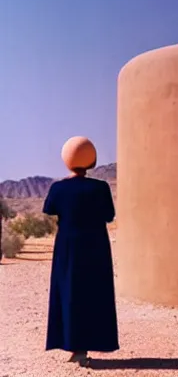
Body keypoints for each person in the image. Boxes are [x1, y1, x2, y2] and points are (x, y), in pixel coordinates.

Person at [43, 136, 119, 365]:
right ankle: (90, 344)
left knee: (70, 294)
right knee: (94, 295)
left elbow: (49, 209)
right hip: (96, 248)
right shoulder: (101, 187)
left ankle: (75, 346)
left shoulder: (58, 188)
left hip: (68, 249)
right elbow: (109, 215)